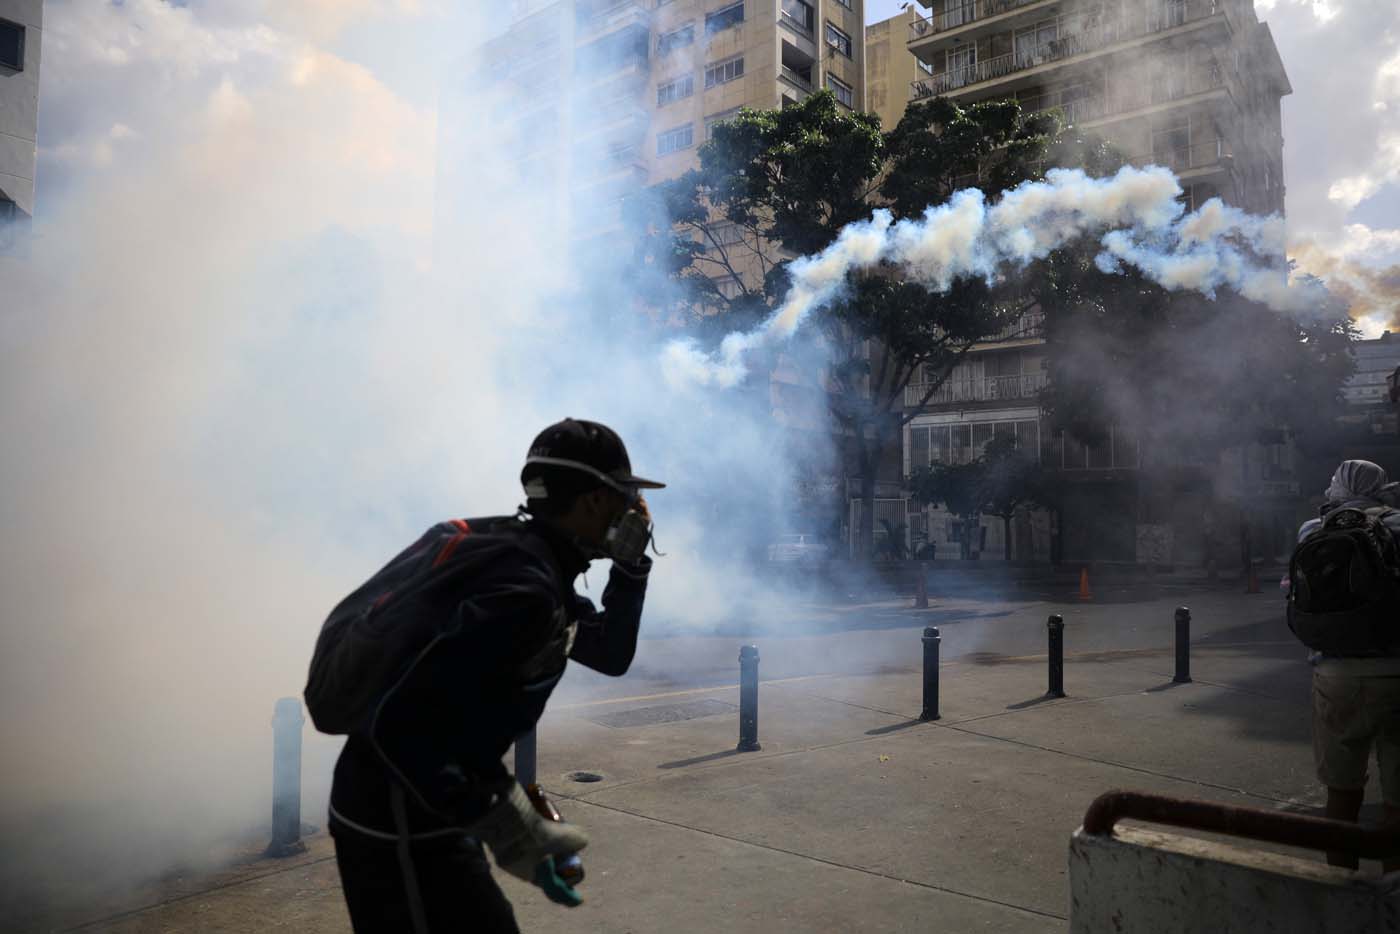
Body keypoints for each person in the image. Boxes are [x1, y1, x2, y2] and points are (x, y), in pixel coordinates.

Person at [321, 418, 663, 932]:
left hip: (430, 811)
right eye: (623, 499)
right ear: (593, 501)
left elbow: (610, 653)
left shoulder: (533, 565)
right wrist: (508, 826)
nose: (630, 514)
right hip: (397, 820)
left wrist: (632, 568)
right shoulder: (523, 591)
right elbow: (399, 725)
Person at [1296, 459, 1400, 870]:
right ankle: (1393, 897)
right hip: (1396, 672)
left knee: (1341, 793)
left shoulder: (1313, 530)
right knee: (1397, 801)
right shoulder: (1397, 524)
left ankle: (1339, 890)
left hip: (1334, 675)